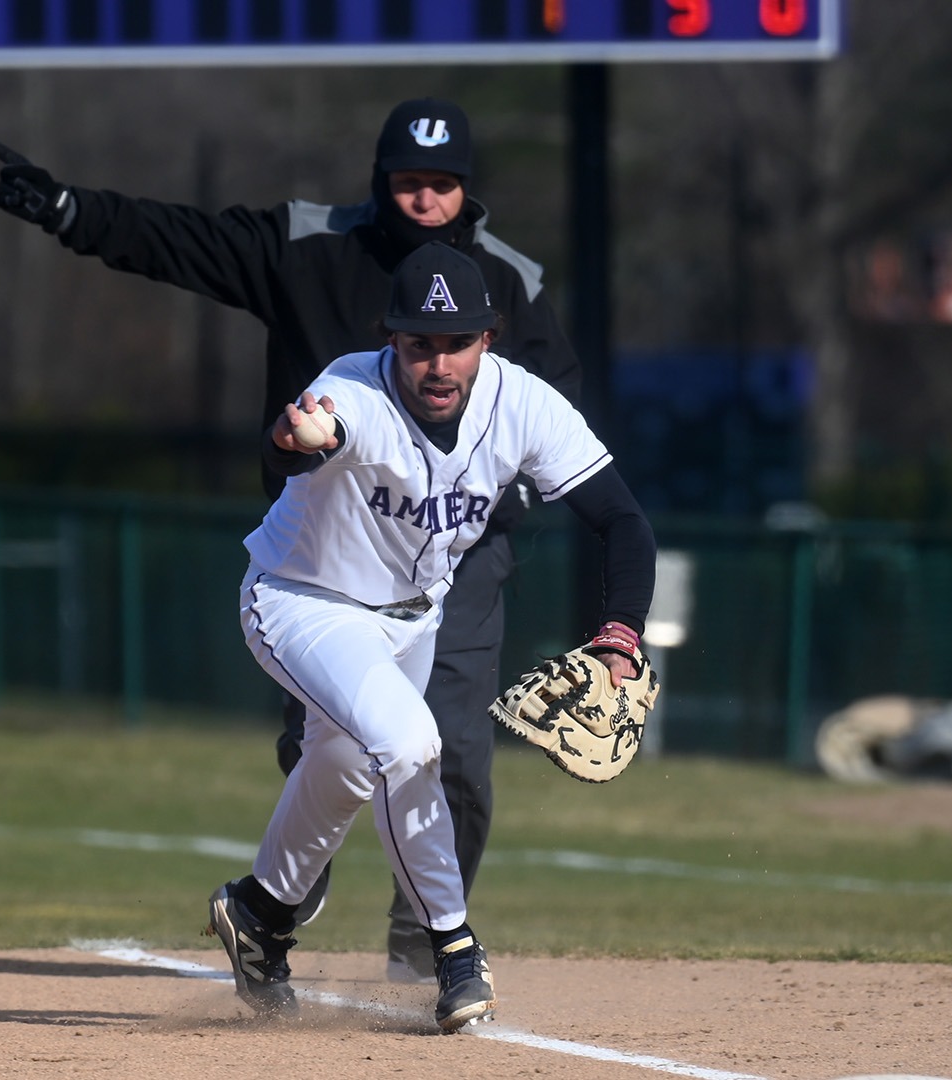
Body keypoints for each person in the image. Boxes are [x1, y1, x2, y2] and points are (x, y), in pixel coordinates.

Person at [0, 98, 580, 980]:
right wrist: (73, 212)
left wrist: (497, 498)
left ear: (468, 190)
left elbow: (557, 403)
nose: (424, 200)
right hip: (324, 558)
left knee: (447, 741)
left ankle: (425, 943)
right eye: (409, 182)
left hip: (454, 551)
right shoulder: (308, 245)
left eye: (443, 183)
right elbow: (181, 242)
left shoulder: (507, 281)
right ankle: (275, 904)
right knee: (326, 750)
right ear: (382, 181)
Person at [205, 243, 654, 1031]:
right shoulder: (351, 388)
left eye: (456, 342)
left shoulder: (524, 404)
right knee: (411, 743)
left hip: (414, 616)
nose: (437, 363)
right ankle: (454, 947)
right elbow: (309, 433)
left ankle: (258, 915)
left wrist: (621, 635)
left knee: (345, 763)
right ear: (393, 342)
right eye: (419, 344)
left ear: (490, 338)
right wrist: (293, 437)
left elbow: (622, 520)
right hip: (302, 602)